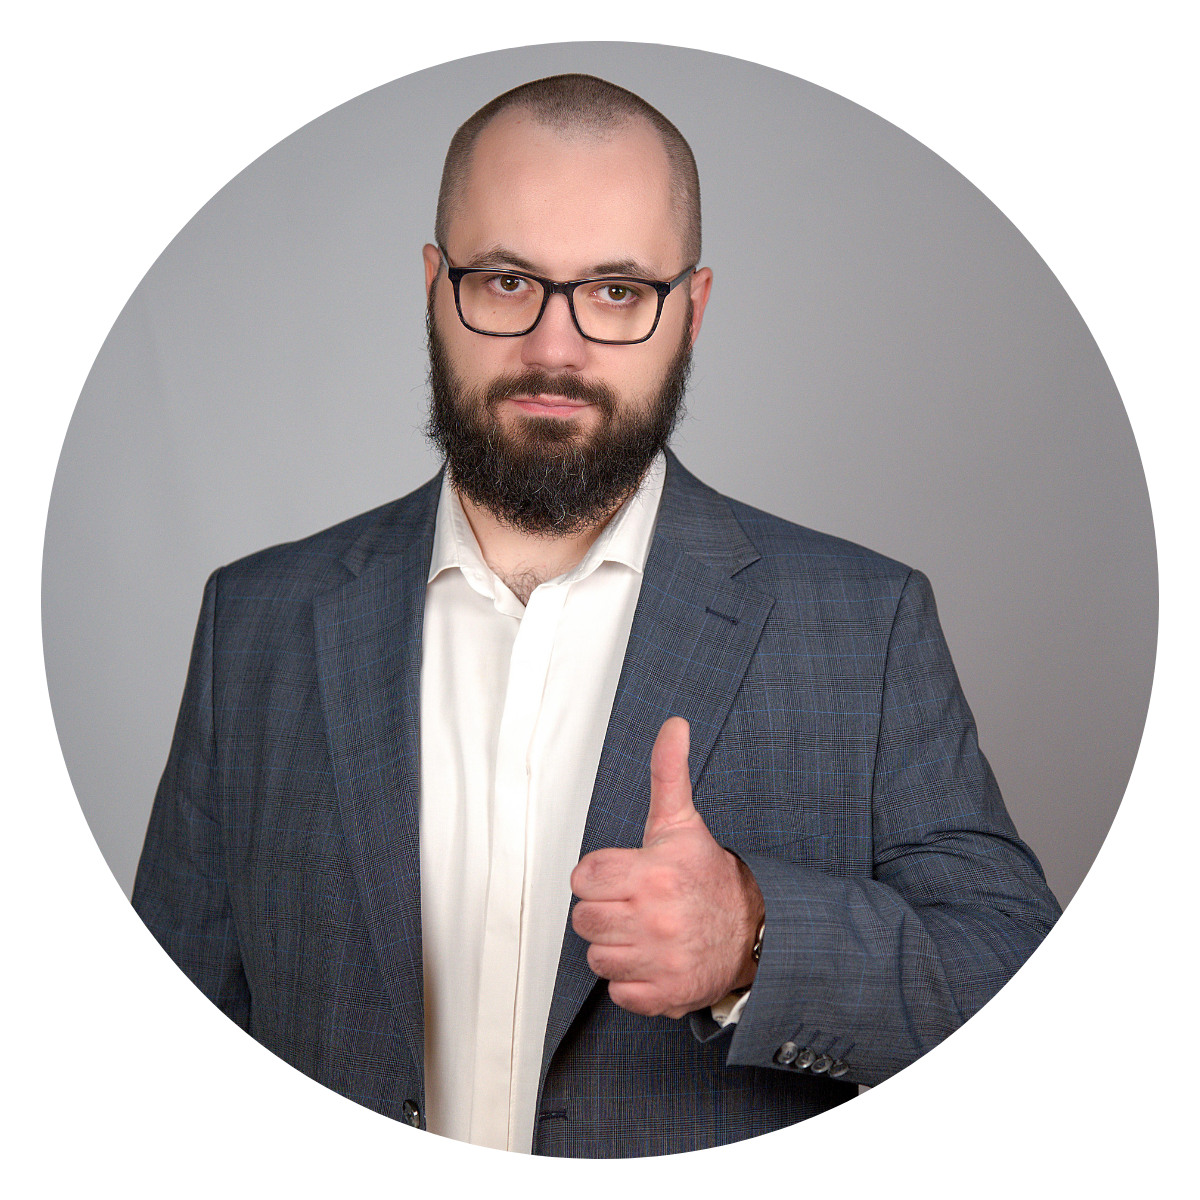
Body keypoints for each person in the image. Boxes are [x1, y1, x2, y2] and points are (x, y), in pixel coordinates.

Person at [132, 73, 1062, 1157]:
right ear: (434, 287)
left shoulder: (865, 625)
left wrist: (754, 937)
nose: (555, 348)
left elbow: (1003, 959)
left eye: (617, 291)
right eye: (507, 280)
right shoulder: (255, 622)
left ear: (692, 312)